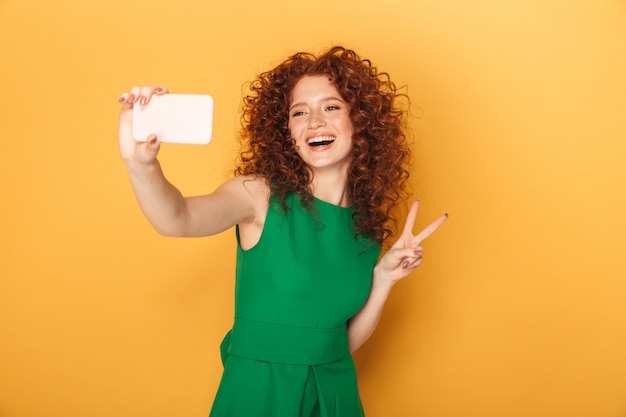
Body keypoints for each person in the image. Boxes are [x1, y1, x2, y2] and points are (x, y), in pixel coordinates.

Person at [118, 46, 447, 417]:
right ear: (287, 131)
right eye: (299, 112)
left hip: (336, 400)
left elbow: (338, 344)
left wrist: (384, 279)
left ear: (361, 121)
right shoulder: (258, 195)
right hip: (259, 398)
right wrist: (139, 163)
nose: (314, 122)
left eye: (331, 107)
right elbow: (176, 219)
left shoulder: (366, 225)